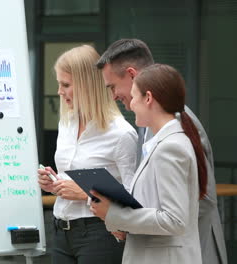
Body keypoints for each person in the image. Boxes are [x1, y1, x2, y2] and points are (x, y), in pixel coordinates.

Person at [96, 38, 227, 264]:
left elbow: (198, 203)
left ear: (132, 75)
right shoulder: (155, 126)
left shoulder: (177, 129)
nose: (114, 96)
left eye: (112, 86)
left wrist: (121, 217)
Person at [37, 45, 137, 264]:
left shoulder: (121, 133)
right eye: (59, 84)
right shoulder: (66, 124)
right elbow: (70, 177)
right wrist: (53, 182)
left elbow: (134, 196)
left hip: (100, 233)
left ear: (86, 85)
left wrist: (85, 193)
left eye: (65, 85)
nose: (59, 92)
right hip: (61, 229)